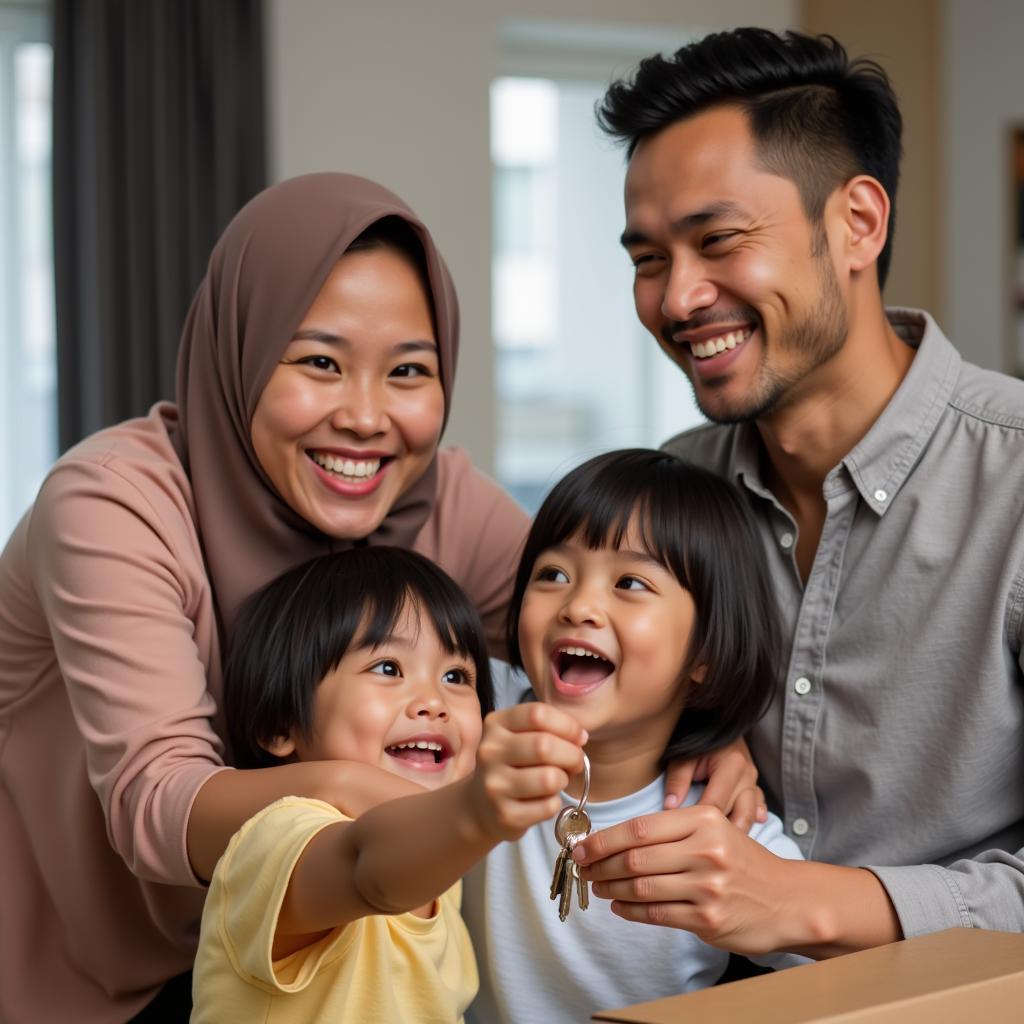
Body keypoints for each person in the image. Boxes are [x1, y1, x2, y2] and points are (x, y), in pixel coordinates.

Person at [0, 173, 530, 1023]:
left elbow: (603, 637)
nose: (365, 417)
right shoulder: (114, 502)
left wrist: (704, 736)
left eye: (407, 371)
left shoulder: (441, 502)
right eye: (320, 362)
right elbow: (159, 804)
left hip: (314, 970)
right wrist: (420, 804)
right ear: (241, 349)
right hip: (89, 985)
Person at [569, 27, 1024, 957]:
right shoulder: (671, 492)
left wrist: (807, 904)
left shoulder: (1012, 479)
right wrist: (684, 730)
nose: (677, 299)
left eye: (719, 240)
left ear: (857, 223)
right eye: (647, 259)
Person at [463, 449, 808, 1024]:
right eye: (554, 574)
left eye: (629, 582)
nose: (579, 606)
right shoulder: (471, 716)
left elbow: (847, 974)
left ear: (705, 653)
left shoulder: (727, 839)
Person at [191, 545, 586, 1023]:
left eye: (457, 676)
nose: (433, 701)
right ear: (280, 725)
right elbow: (364, 866)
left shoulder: (443, 871)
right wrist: (476, 812)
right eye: (387, 668)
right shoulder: (274, 840)